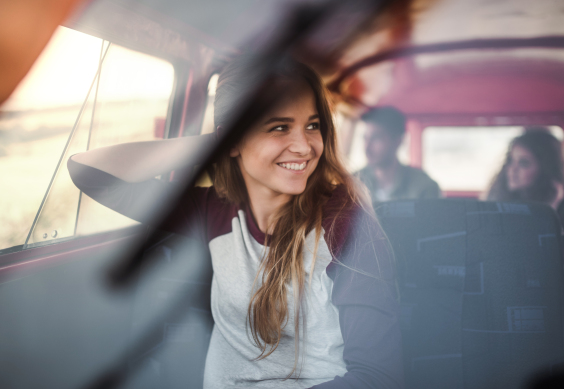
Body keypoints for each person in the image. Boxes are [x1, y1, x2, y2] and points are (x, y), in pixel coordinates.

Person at [67, 56, 403, 388]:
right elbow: (89, 172)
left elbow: (377, 378)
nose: (304, 146)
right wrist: (215, 143)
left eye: (312, 125)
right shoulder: (214, 210)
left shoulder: (345, 224)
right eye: (279, 127)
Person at [487, 128, 564, 232]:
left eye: (523, 163)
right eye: (510, 160)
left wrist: (551, 207)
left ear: (545, 170)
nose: (512, 169)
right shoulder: (499, 200)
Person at [355, 106, 441, 202]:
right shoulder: (352, 184)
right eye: (365, 138)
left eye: (376, 138)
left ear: (397, 141)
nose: (367, 147)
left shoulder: (424, 187)